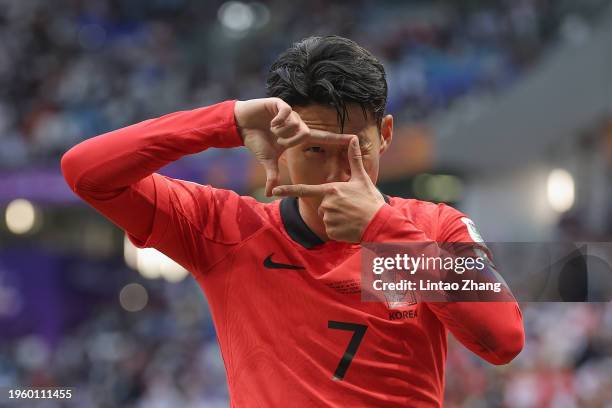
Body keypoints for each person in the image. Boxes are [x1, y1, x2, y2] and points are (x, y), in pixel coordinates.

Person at [61, 35, 524, 407]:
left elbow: (504, 339)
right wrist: (226, 120)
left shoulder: (436, 227)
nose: (339, 174)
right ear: (282, 146)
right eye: (315, 151)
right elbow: (85, 171)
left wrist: (382, 231)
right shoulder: (225, 229)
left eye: (355, 149)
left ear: (384, 136)